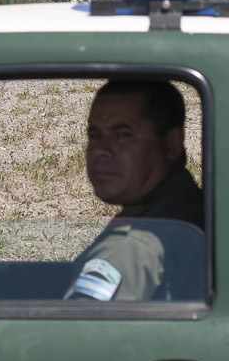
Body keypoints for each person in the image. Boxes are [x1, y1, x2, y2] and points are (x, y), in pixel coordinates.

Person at [65, 80, 204, 302]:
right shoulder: (188, 209)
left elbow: (78, 334)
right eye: (94, 135)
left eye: (122, 135)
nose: (101, 151)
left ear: (172, 144)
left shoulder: (130, 247)